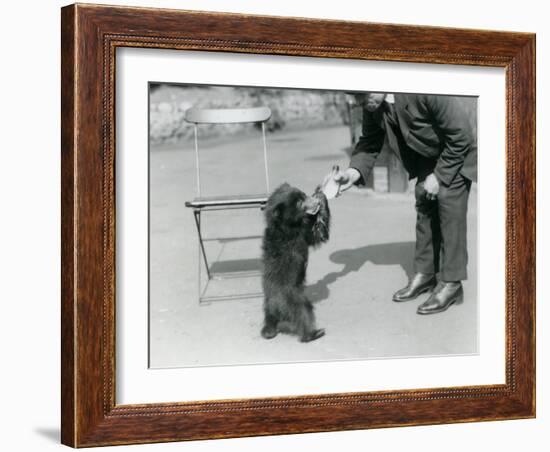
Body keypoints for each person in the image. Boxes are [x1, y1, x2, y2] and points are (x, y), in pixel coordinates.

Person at [335, 92, 477, 315]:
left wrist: (439, 176)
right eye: (353, 96)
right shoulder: (372, 102)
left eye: (360, 96)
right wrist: (353, 173)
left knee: (449, 210)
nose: (357, 102)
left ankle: (452, 284)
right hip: (427, 158)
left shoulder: (424, 89)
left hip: (456, 154)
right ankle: (425, 274)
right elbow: (370, 140)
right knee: (424, 207)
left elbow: (462, 135)